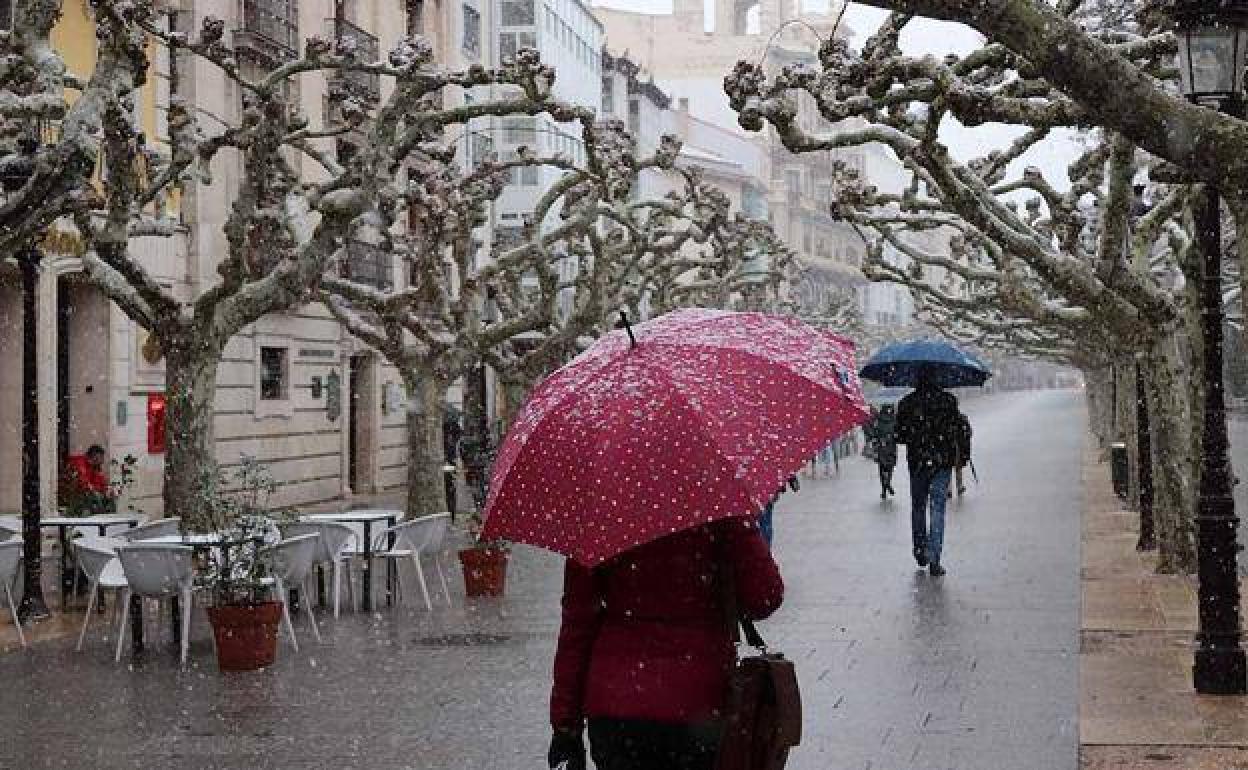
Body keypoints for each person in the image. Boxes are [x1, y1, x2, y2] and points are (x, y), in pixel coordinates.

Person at [547, 519, 784, 770]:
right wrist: (739, 526)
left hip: (617, 707)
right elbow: (765, 597)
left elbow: (578, 624)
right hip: (698, 707)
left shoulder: (600, 515)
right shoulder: (717, 506)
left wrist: (566, 725)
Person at [894, 366, 961, 577]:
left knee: (918, 507)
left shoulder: (906, 403)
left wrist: (917, 435)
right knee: (938, 508)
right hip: (942, 462)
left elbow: (900, 436)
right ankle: (935, 558)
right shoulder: (948, 401)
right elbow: (956, 431)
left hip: (918, 463)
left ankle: (919, 550)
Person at [871, 404, 899, 500]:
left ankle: (885, 487)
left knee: (884, 468)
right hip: (888, 446)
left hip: (884, 446)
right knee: (888, 467)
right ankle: (887, 485)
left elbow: (874, 432)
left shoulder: (878, 420)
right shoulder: (893, 419)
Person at [953, 411, 973, 497]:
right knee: (957, 467)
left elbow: (969, 432)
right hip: (957, 446)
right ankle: (959, 486)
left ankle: (949, 489)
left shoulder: (944, 417)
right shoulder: (962, 417)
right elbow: (969, 432)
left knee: (949, 467)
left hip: (950, 446)